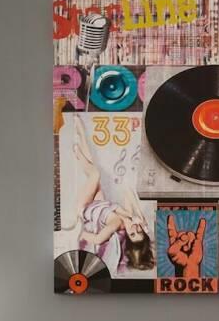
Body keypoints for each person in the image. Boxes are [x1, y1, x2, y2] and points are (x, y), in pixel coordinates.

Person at [65, 114, 154, 271]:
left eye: (132, 234)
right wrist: (138, 214)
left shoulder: (117, 224)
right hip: (100, 203)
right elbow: (127, 191)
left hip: (85, 207)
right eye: (139, 231)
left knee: (95, 174)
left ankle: (78, 151)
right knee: (93, 164)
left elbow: (98, 239)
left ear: (127, 236)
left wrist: (77, 233)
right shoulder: (129, 217)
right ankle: (79, 134)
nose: (134, 229)